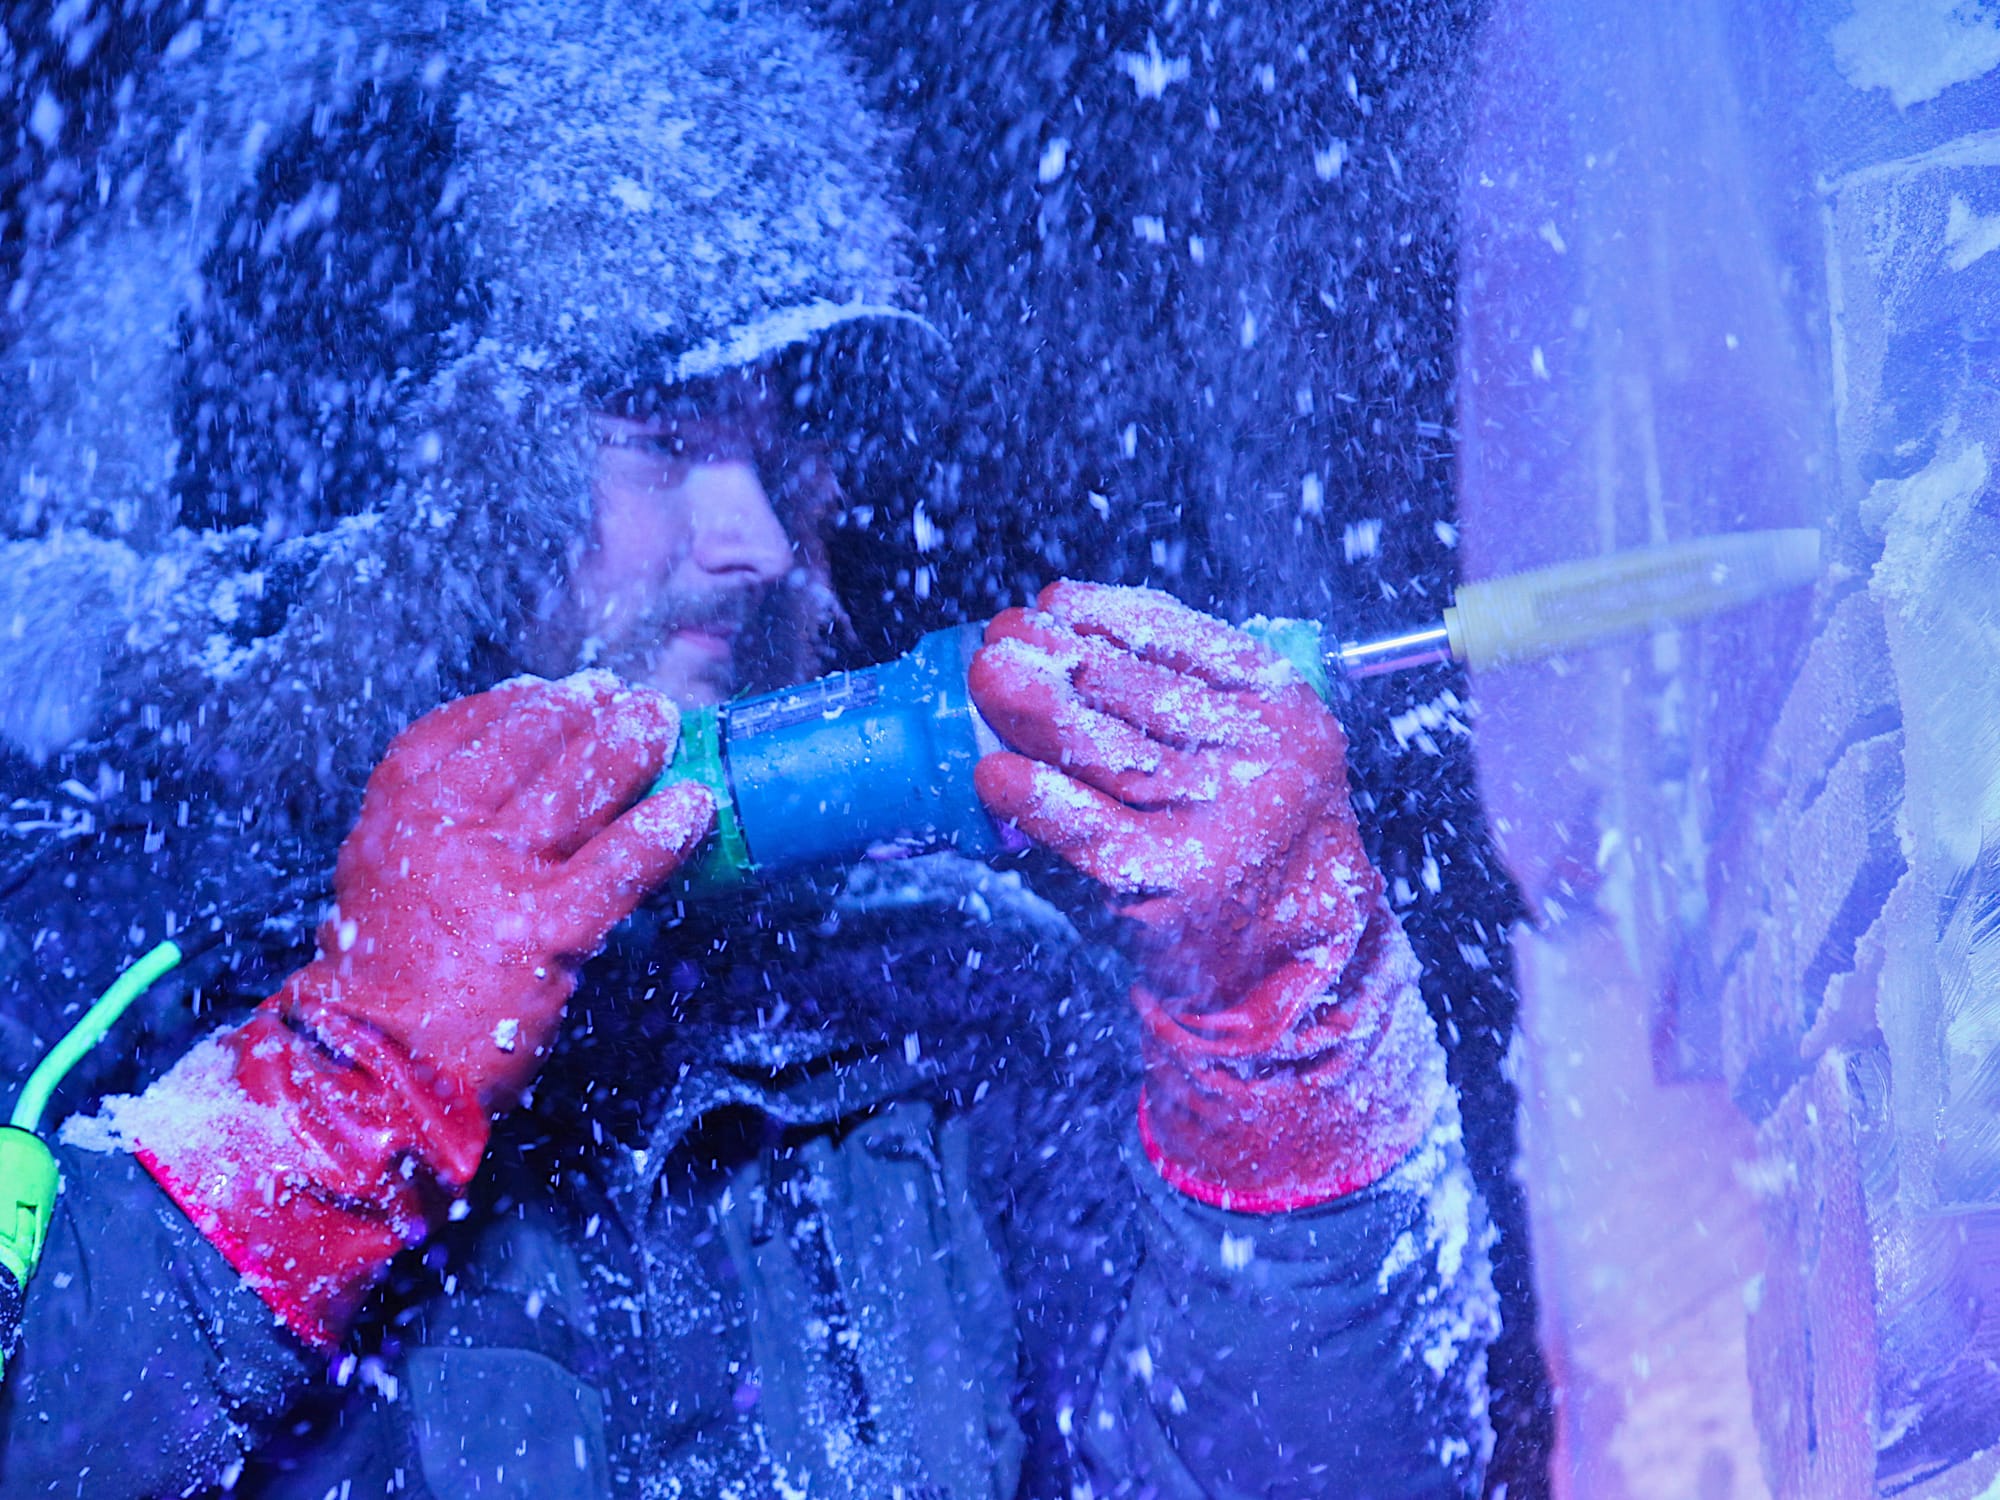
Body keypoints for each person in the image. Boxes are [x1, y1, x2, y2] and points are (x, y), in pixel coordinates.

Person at [0, 2, 1498, 1495]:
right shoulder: (93, 980)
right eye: (660, 434)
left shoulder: (949, 990)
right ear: (400, 480)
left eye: (781, 452)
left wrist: (1295, 1064)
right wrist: (317, 1105)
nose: (759, 539)